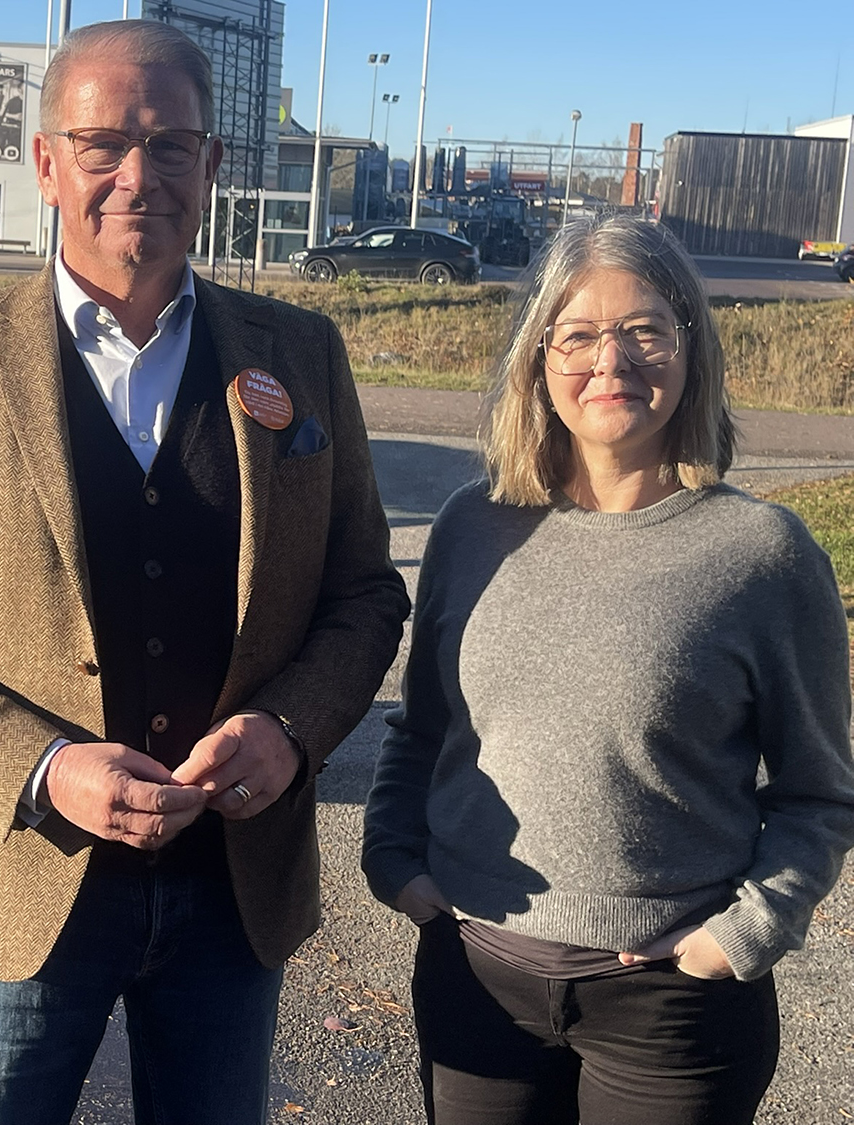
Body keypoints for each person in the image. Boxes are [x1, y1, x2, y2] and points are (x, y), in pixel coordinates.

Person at [0, 19, 410, 1125]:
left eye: (171, 145)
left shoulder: (300, 357)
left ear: (212, 166)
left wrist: (290, 730)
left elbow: (365, 593)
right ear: (47, 164)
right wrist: (44, 765)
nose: (137, 175)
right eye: (103, 145)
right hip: (17, 874)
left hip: (229, 885)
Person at [361, 212, 854, 1125]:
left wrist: (743, 933)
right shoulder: (473, 526)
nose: (612, 362)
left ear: (689, 347)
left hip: (670, 1008)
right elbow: (425, 728)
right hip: (477, 978)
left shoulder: (763, 554)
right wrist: (392, 856)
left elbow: (819, 792)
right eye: (579, 334)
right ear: (538, 356)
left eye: (644, 331)